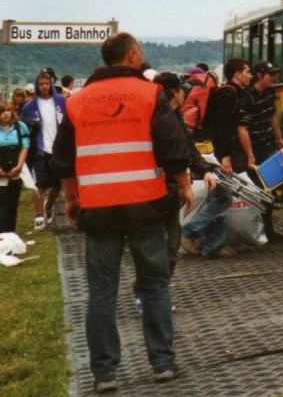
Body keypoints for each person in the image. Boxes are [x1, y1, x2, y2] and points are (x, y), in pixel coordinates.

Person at [53, 32, 194, 391]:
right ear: (132, 56)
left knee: (101, 292)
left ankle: (104, 374)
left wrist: (71, 198)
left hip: (98, 208)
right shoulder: (151, 95)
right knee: (155, 285)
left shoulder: (77, 101)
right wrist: (185, 184)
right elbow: (173, 146)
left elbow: (64, 159)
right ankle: (162, 364)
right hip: (145, 204)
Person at [131, 73, 219, 312]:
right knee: (150, 247)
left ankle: (157, 293)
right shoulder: (148, 117)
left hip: (171, 193)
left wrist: (206, 170)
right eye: (182, 90)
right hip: (148, 191)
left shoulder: (177, 118)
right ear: (172, 92)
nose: (186, 94)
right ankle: (145, 294)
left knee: (171, 247)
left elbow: (187, 150)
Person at [180, 57, 250, 259]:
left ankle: (213, 245)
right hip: (216, 154)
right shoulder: (228, 94)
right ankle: (189, 232)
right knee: (223, 197)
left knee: (219, 197)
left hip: (211, 150)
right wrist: (225, 156)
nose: (250, 75)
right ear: (237, 74)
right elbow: (224, 127)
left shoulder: (224, 92)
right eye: (247, 71)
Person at [237, 61, 283, 243]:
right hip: (255, 151)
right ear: (259, 75)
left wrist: (279, 138)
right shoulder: (247, 97)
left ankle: (268, 230)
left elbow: (272, 116)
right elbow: (242, 128)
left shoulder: (268, 93)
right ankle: (261, 230)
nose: (274, 77)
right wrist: (249, 154)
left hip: (267, 147)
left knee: (270, 189)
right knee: (260, 191)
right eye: (270, 74)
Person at [21, 70, 66, 229]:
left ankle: (49, 204)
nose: (44, 86)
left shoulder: (62, 101)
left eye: (47, 83)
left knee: (58, 183)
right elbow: (24, 127)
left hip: (58, 147)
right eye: (41, 84)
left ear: (51, 84)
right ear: (37, 86)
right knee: (39, 182)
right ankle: (39, 214)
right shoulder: (29, 106)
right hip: (39, 149)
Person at [0, 102, 31, 234]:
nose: (6, 113)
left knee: (13, 203)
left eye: (8, 110)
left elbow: (25, 147)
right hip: (1, 170)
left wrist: (19, 166)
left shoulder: (20, 127)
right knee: (2, 203)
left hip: (15, 168)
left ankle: (11, 232)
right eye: (2, 111)